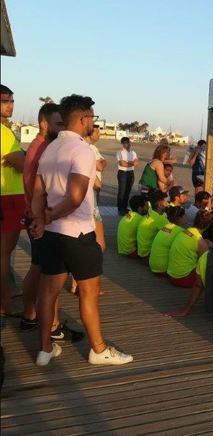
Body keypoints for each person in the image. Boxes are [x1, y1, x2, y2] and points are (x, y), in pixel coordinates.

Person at [30, 94, 132, 366]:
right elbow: (75, 198)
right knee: (89, 293)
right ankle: (98, 349)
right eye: (92, 118)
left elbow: (39, 192)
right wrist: (49, 215)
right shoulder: (83, 150)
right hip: (77, 234)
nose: (93, 123)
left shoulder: (50, 148)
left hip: (51, 234)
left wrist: (41, 218)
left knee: (48, 292)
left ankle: (45, 349)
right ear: (84, 119)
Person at [20, 103, 64, 333]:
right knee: (48, 274)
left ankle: (30, 315)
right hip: (41, 218)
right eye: (58, 123)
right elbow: (40, 190)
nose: (62, 128)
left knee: (37, 268)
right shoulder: (44, 149)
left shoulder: (37, 146)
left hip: (34, 215)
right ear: (43, 124)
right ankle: (53, 327)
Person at [0, 84, 25, 317]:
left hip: (7, 195)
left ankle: (7, 292)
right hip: (9, 196)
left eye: (11, 100)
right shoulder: (4, 133)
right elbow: (23, 164)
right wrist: (23, 156)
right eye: (5, 100)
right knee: (4, 252)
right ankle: (5, 302)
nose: (10, 105)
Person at [167, 210, 212, 288]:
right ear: (208, 226)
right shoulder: (200, 241)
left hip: (171, 275)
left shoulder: (185, 231)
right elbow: (207, 264)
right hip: (184, 279)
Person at [85, 125, 106, 252]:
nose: (99, 134)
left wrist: (100, 163)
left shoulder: (93, 148)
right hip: (90, 188)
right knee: (93, 218)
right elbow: (100, 166)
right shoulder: (87, 149)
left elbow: (103, 163)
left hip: (93, 188)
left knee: (94, 218)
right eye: (97, 132)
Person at [149, 206, 187, 275]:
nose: (186, 218)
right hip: (162, 269)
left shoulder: (165, 226)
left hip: (153, 265)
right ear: (179, 218)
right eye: (185, 216)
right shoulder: (180, 231)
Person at [136, 191, 169, 260]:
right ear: (160, 204)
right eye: (166, 202)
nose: (168, 204)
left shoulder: (150, 212)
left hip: (141, 253)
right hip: (148, 256)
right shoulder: (159, 219)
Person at [116, 136, 138, 216]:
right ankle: (120, 209)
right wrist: (131, 163)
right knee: (122, 191)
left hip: (131, 173)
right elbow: (122, 164)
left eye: (127, 142)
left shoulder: (133, 152)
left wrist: (128, 163)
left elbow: (136, 163)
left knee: (127, 191)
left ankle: (124, 208)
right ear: (122, 144)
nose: (126, 144)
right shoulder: (120, 152)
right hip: (122, 173)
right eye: (124, 143)